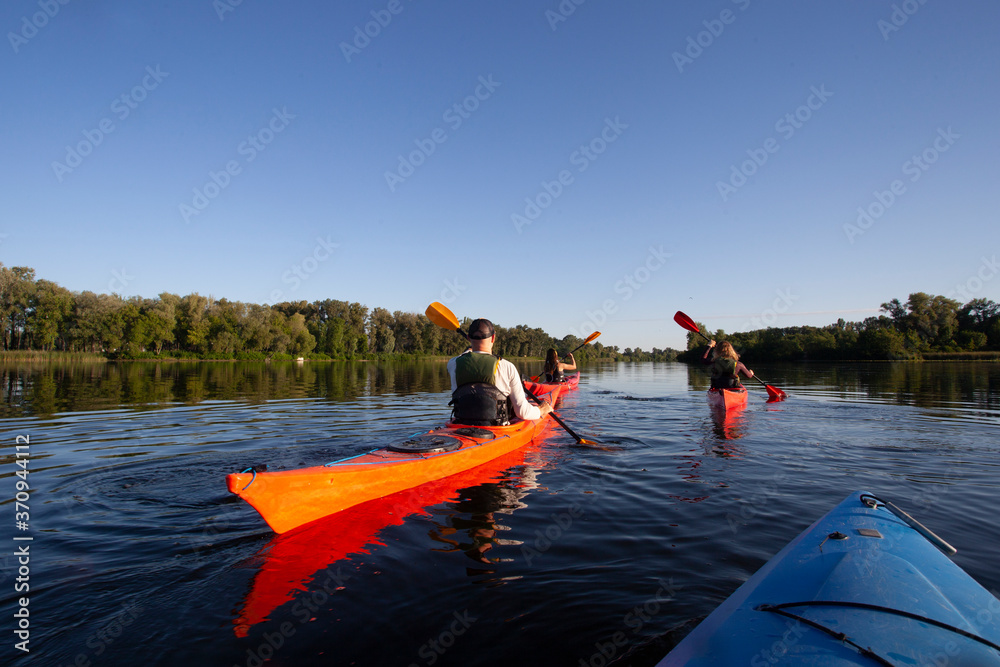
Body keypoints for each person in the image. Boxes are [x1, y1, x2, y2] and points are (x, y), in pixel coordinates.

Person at [447, 318, 553, 425]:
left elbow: (465, 355)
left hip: (461, 428)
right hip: (497, 429)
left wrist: (473, 344)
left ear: (469, 338)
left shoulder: (453, 364)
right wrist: (541, 410)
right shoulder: (507, 366)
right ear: (493, 337)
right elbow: (522, 412)